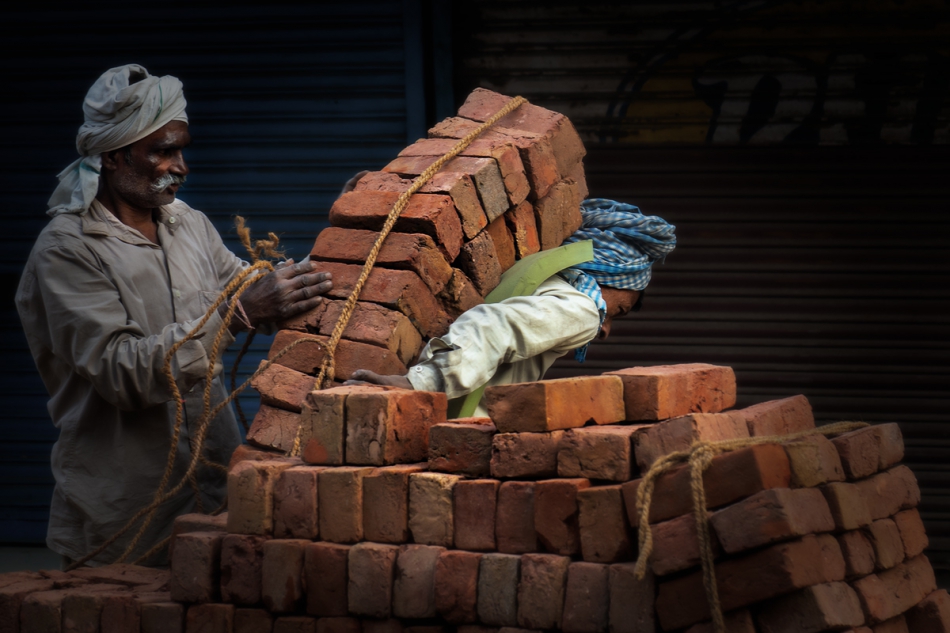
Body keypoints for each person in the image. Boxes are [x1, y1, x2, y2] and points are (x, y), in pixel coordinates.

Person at [16, 64, 331, 566]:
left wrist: (349, 230)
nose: (180, 166)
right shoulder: (67, 250)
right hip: (126, 517)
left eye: (182, 149)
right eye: (163, 151)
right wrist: (235, 316)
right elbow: (123, 373)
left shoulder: (189, 224)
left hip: (216, 493)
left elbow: (255, 291)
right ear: (115, 156)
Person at [349, 198, 677, 415]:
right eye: (618, 310)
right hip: (461, 436)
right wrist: (419, 384)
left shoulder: (536, 278)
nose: (606, 330)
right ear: (613, 276)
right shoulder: (582, 309)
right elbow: (493, 324)